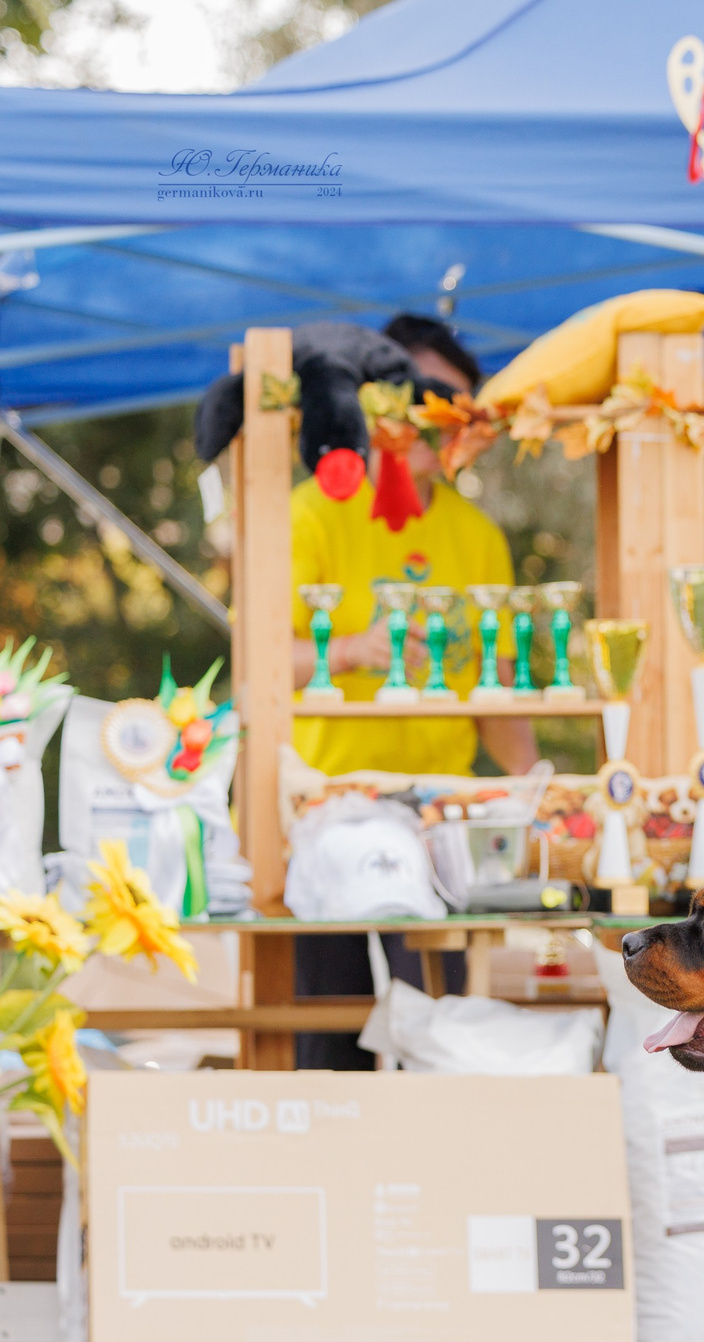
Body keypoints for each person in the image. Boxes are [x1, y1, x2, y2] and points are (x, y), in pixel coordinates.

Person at [289, 314, 536, 1069]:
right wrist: (352, 650)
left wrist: (538, 791)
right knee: (329, 1049)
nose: (434, 418)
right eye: (419, 397)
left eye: (451, 404)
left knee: (441, 1037)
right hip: (324, 821)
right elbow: (260, 663)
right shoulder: (308, 513)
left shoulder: (479, 537)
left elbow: (496, 696)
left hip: (439, 829)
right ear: (374, 401)